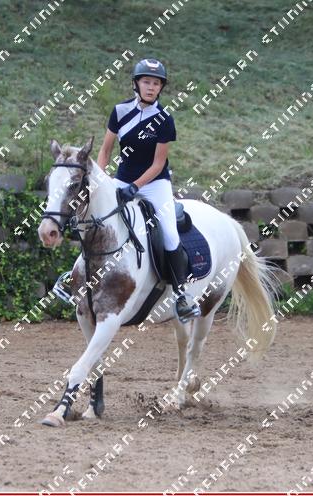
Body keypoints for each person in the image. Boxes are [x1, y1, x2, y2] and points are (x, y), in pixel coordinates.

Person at [97, 57, 200, 321]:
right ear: (136, 84)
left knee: (170, 235)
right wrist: (101, 180)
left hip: (155, 184)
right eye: (146, 82)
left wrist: (136, 187)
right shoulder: (120, 111)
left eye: (156, 83)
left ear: (161, 88)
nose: (151, 87)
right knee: (96, 218)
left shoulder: (164, 119)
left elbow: (158, 163)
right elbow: (105, 150)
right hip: (122, 179)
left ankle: (181, 296)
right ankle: (73, 277)